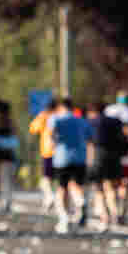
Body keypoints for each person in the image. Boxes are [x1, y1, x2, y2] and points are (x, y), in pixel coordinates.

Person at [44, 97, 90, 234]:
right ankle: (81, 202)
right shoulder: (81, 121)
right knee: (75, 184)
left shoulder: (55, 119)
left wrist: (54, 144)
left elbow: (51, 136)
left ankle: (64, 218)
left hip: (62, 157)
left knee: (62, 188)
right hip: (80, 157)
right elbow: (90, 137)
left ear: (60, 107)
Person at [87, 100, 128, 231]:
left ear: (93, 111)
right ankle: (116, 213)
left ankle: (104, 217)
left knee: (99, 188)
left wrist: (89, 162)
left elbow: (89, 143)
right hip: (115, 157)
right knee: (112, 186)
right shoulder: (116, 121)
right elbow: (125, 134)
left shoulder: (92, 122)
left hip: (99, 156)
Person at [103, 92, 128, 224]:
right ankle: (122, 213)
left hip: (110, 155)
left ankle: (114, 211)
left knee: (110, 185)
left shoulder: (109, 111)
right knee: (125, 185)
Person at [29, 100, 59, 212]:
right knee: (60, 180)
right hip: (60, 151)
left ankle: (50, 196)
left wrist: (42, 116)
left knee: (46, 178)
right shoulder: (60, 115)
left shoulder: (44, 116)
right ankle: (56, 200)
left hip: (47, 151)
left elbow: (33, 128)